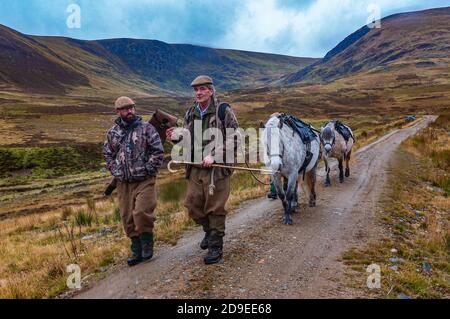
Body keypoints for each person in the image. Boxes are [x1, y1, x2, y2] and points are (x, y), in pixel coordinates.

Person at [167, 75, 238, 264]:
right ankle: (208, 232)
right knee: (193, 206)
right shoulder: (191, 112)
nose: (198, 93)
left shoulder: (223, 110)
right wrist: (175, 137)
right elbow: (188, 137)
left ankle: (216, 246)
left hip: (218, 169)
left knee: (215, 208)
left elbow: (234, 138)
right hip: (195, 168)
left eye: (202, 89)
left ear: (211, 90)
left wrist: (214, 155)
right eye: (196, 90)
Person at [103, 96, 164, 266]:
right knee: (127, 217)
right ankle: (136, 250)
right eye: (125, 109)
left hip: (145, 180)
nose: (129, 111)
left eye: (131, 108)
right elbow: (108, 155)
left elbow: (158, 151)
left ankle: (147, 244)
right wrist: (116, 170)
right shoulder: (113, 133)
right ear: (118, 111)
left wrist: (148, 169)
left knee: (142, 211)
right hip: (123, 183)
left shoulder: (147, 129)